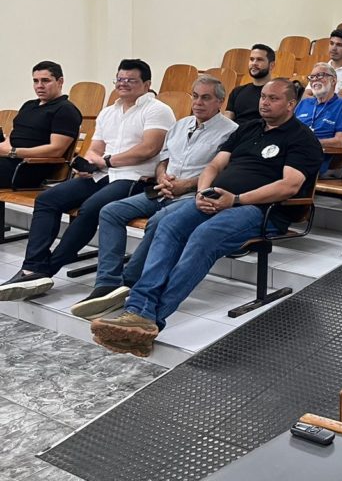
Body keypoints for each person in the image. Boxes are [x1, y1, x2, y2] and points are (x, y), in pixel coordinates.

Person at [90, 78, 323, 356]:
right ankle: (137, 309)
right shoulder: (248, 128)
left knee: (203, 236)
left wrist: (236, 199)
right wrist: (202, 192)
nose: (265, 102)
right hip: (216, 198)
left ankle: (149, 319)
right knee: (168, 224)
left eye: (273, 98)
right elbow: (214, 165)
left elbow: (289, 186)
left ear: (291, 104)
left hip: (259, 209)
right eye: (263, 96)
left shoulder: (302, 138)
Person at [0, 59, 174, 302]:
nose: (123, 84)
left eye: (131, 80)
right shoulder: (109, 112)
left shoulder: (157, 110)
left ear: (147, 84)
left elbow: (148, 149)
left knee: (91, 208)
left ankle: (46, 270)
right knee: (48, 199)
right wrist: (88, 163)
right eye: (120, 79)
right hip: (101, 173)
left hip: (134, 177)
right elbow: (95, 148)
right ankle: (32, 267)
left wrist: (107, 161)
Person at [69, 76, 237, 319]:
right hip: (163, 189)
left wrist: (185, 185)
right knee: (111, 211)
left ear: (220, 101)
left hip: (193, 195)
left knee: (159, 222)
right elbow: (163, 160)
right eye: (195, 96)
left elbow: (222, 171)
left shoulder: (231, 132)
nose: (198, 102)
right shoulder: (181, 125)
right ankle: (107, 283)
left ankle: (129, 282)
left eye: (206, 98)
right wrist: (162, 177)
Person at [0, 61, 82, 189]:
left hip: (27, 168)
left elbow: (56, 150)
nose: (39, 86)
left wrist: (13, 152)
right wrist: (4, 147)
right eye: (35, 81)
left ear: (60, 81)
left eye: (45, 81)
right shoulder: (28, 105)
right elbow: (14, 135)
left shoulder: (65, 109)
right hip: (8, 161)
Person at [294, 63, 342, 174]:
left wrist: (309, 143)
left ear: (333, 80)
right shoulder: (304, 103)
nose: (315, 80)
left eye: (320, 75)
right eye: (312, 77)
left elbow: (339, 142)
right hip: (292, 152)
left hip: (316, 157)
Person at [225, 44, 274, 123]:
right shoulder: (237, 91)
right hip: (236, 130)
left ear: (271, 65)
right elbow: (227, 120)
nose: (254, 63)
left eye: (259, 59)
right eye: (251, 59)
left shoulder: (277, 92)